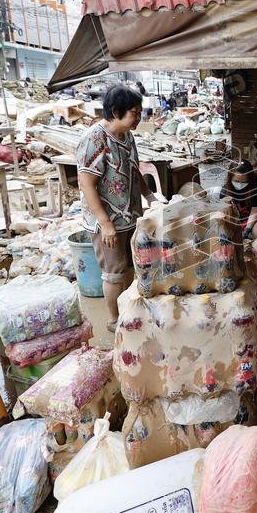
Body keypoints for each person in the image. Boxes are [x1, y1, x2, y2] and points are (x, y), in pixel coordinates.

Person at [77, 85, 159, 331]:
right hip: (107, 222)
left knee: (133, 267)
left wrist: (151, 198)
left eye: (139, 111)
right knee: (113, 272)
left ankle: (130, 311)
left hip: (131, 216)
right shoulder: (94, 139)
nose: (139, 117)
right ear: (115, 111)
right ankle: (114, 320)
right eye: (134, 112)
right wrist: (105, 224)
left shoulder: (127, 136)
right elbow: (86, 183)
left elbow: (134, 169)